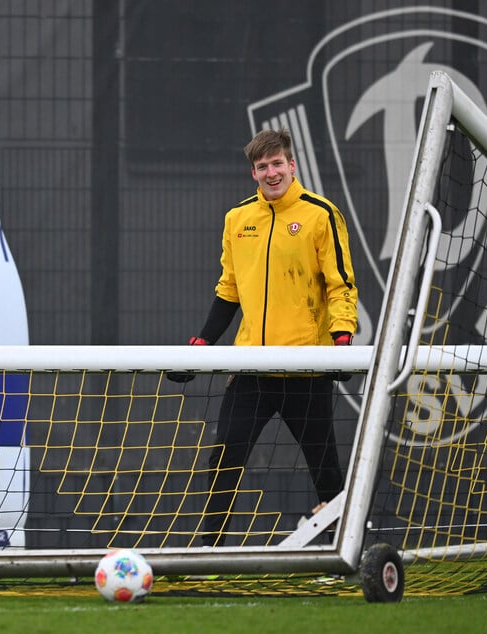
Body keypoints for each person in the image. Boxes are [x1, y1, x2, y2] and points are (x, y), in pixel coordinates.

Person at [169, 128, 358, 547]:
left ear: (292, 165)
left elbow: (341, 285)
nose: (271, 173)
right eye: (262, 166)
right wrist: (201, 344)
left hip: (307, 368)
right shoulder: (237, 219)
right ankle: (211, 552)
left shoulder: (321, 214)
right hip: (251, 369)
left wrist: (342, 341)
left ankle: (344, 551)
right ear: (253, 173)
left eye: (277, 164)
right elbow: (228, 291)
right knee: (225, 457)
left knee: (325, 468)